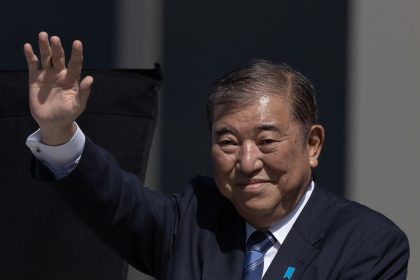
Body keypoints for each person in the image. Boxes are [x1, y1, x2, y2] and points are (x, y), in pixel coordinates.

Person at [24, 32, 409, 280]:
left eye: (267, 141)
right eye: (227, 142)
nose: (246, 161)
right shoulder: (193, 220)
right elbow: (111, 198)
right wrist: (59, 132)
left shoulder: (368, 243)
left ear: (313, 145)